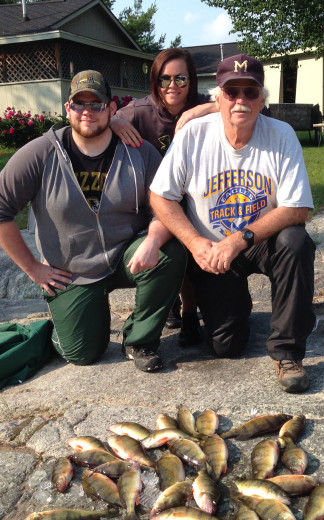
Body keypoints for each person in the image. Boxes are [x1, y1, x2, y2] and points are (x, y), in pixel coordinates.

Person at [0, 70, 186, 373]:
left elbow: (167, 206)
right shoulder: (40, 153)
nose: (87, 112)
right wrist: (34, 269)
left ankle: (139, 338)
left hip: (124, 257)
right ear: (68, 109)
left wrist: (153, 240)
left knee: (171, 253)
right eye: (79, 104)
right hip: (71, 271)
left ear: (112, 108)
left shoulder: (139, 152)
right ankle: (77, 319)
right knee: (83, 353)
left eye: (97, 104)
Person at [149, 54, 316, 393]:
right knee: (227, 346)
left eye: (250, 92)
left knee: (296, 242)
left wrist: (239, 240)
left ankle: (287, 350)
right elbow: (160, 197)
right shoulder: (193, 135)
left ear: (262, 99)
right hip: (212, 251)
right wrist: (196, 244)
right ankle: (243, 310)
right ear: (218, 98)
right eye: (232, 92)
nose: (241, 100)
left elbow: (297, 209)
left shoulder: (281, 135)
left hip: (260, 240)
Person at [111, 47, 216, 346]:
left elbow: (240, 101)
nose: (172, 86)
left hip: (195, 193)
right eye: (164, 79)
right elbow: (100, 118)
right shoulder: (140, 111)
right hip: (154, 197)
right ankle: (173, 306)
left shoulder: (201, 106)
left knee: (194, 243)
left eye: (181, 79)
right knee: (169, 244)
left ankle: (189, 312)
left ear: (191, 81)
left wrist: (200, 111)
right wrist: (116, 120)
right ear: (155, 82)